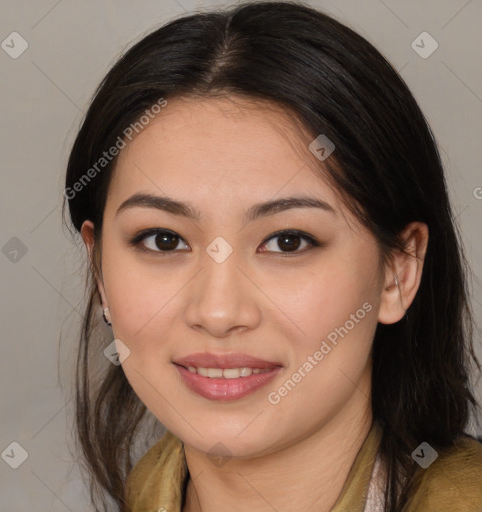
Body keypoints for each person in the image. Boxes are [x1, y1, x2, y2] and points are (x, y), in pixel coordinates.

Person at [63, 2, 482, 511]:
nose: (218, 313)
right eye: (164, 240)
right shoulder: (151, 491)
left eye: (288, 241)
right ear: (99, 270)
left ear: (398, 269)